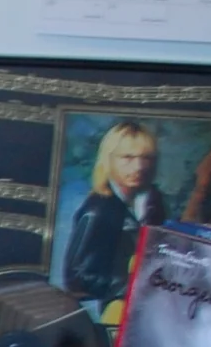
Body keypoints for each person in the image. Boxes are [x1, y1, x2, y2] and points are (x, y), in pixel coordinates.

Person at [61, 119, 169, 302]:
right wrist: (134, 286)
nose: (139, 167)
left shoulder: (154, 203)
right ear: (108, 160)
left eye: (146, 158)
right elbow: (76, 280)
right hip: (116, 311)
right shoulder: (97, 211)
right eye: (127, 158)